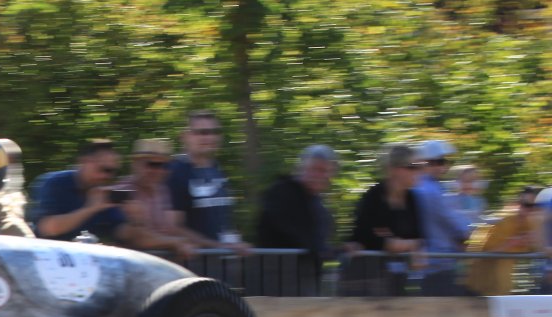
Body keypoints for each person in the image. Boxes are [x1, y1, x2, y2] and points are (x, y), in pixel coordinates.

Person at [252, 143, 339, 295]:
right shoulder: (281, 193)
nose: (319, 176)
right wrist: (325, 250)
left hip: (305, 283)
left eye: (324, 171)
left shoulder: (317, 202)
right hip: (276, 283)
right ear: (301, 168)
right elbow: (298, 235)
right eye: (314, 169)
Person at [342, 143, 425, 297]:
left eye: (421, 167)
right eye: (413, 167)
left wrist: (396, 242)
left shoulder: (412, 199)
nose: (419, 172)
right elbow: (366, 237)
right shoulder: (372, 197)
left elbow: (418, 238)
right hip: (364, 282)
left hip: (397, 281)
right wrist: (399, 244)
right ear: (394, 169)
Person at [119, 138, 208, 261]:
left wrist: (217, 245)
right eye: (152, 164)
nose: (158, 170)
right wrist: (176, 243)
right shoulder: (123, 191)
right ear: (135, 164)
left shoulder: (163, 191)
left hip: (159, 265)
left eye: (164, 166)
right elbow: (137, 237)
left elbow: (172, 229)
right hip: (132, 265)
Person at [165, 110, 246, 246]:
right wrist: (215, 246)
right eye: (202, 132)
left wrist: (235, 243)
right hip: (193, 257)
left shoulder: (217, 169)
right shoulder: (175, 171)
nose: (210, 137)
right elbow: (172, 227)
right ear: (185, 136)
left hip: (223, 256)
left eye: (215, 132)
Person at [32, 139, 131, 243]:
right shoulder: (56, 183)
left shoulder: (105, 193)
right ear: (84, 162)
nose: (107, 176)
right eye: (104, 169)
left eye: (113, 171)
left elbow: (121, 233)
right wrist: (90, 208)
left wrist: (134, 220)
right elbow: (46, 228)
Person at [409, 139, 474, 296]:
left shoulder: (418, 186)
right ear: (426, 163)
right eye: (438, 162)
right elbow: (451, 221)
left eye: (443, 162)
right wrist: (473, 232)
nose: (442, 167)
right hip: (438, 264)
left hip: (428, 264)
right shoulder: (431, 190)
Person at [465, 185, 546, 297]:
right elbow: (483, 254)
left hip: (502, 289)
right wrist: (509, 244)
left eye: (532, 206)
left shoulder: (536, 224)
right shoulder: (504, 222)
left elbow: (541, 249)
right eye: (523, 204)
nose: (526, 209)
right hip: (480, 288)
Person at [447, 164, 488, 230]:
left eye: (473, 181)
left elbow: (477, 218)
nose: (469, 185)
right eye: (465, 181)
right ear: (455, 182)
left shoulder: (479, 201)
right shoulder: (449, 200)